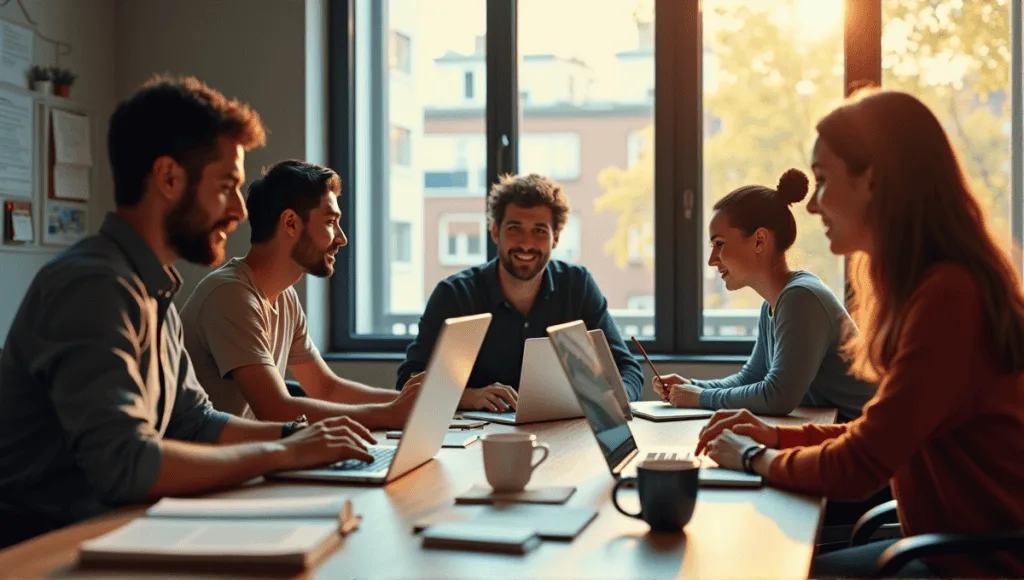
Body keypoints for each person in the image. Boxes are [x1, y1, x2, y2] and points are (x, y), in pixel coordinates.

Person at [0, 77, 375, 548]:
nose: (239, 210)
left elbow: (195, 422)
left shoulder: (154, 290)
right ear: (169, 178)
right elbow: (125, 464)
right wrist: (280, 452)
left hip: (120, 533)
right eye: (226, 186)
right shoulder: (93, 285)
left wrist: (296, 438)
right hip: (47, 548)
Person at [697, 89, 1024, 578]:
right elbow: (877, 432)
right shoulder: (929, 288)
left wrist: (753, 457)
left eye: (823, 181)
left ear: (871, 179)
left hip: (971, 565)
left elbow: (860, 465)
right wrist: (775, 440)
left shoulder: (948, 297)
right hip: (945, 550)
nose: (812, 207)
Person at [180, 159, 423, 429]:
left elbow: (326, 388)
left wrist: (417, 405)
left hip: (251, 457)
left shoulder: (284, 297)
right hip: (218, 465)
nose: (341, 238)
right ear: (291, 223)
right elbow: (276, 409)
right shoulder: (231, 295)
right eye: (331, 222)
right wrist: (390, 415)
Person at [397, 173, 643, 412]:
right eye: (515, 228)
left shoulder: (577, 286)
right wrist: (468, 397)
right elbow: (409, 380)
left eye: (539, 231)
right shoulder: (454, 294)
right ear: (496, 232)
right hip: (477, 436)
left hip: (563, 431)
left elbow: (627, 369)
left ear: (555, 238)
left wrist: (616, 401)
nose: (526, 243)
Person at [654, 169, 876, 422]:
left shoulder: (801, 299)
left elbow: (777, 396)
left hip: (864, 442)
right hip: (835, 431)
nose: (712, 260)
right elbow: (752, 377)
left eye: (720, 244)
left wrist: (699, 398)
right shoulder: (776, 302)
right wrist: (693, 386)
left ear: (759, 241)